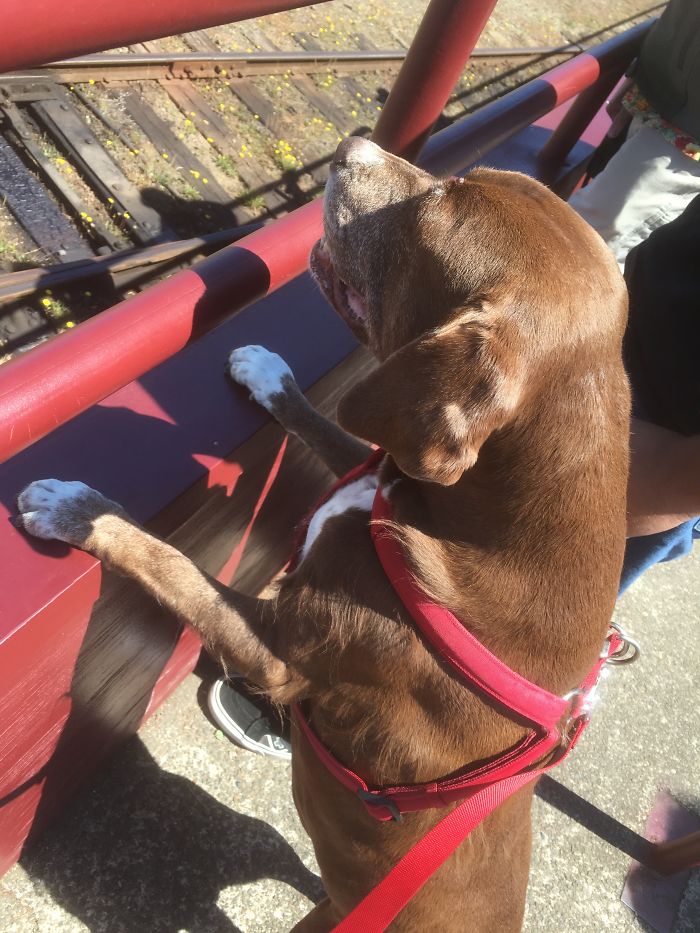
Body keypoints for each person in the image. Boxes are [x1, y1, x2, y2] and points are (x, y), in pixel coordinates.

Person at [209, 0, 700, 755]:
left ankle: (325, 695)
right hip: (628, 346)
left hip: (632, 460)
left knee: (448, 619)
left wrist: (578, 510)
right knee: (415, 504)